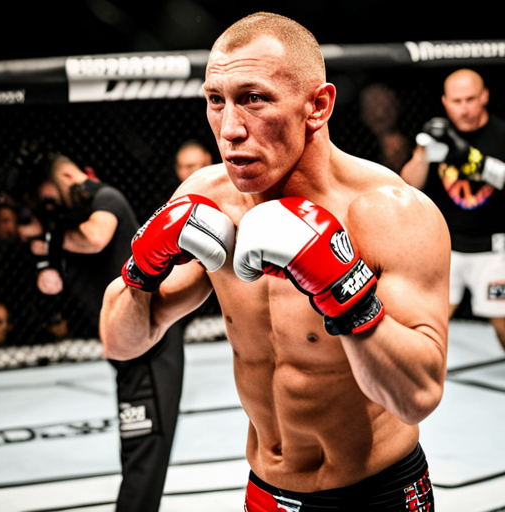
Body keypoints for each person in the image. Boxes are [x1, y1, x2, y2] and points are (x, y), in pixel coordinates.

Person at [100, 12, 450, 511]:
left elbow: (417, 396)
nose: (229, 129)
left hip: (376, 495)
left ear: (318, 106)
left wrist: (344, 292)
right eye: (215, 101)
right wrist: (142, 270)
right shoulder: (207, 199)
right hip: (264, 492)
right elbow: (121, 341)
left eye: (253, 98)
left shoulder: (388, 213)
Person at [24, 154, 184, 512]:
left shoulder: (104, 199)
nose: (43, 202)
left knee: (144, 448)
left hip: (151, 342)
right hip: (125, 342)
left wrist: (46, 235)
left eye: (45, 193)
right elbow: (49, 284)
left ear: (66, 175)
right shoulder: (63, 220)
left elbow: (96, 238)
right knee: (137, 448)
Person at [401, 68, 505, 351]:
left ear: (484, 97)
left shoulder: (500, 133)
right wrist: (422, 152)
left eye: (470, 99)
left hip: (493, 251)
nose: (464, 108)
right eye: (457, 101)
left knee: (503, 329)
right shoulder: (437, 136)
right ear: (445, 102)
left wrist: (472, 160)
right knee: (429, 323)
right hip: (448, 248)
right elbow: (409, 185)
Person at [359, 83, 411, 173]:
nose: (380, 113)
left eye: (386, 108)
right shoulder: (358, 148)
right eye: (372, 108)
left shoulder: (411, 141)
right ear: (363, 113)